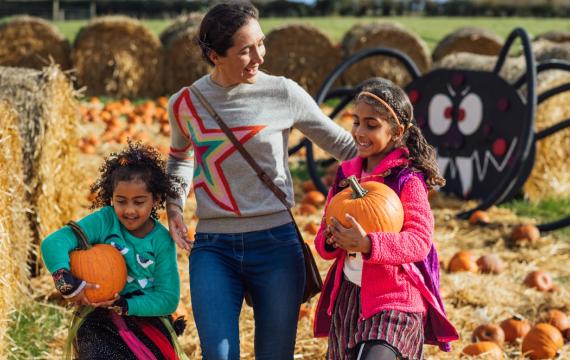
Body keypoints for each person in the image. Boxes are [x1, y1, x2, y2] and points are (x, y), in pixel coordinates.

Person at [164, 1, 357, 359]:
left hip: (276, 246)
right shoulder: (185, 103)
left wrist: (400, 164)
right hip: (213, 248)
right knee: (218, 355)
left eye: (261, 44)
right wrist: (173, 205)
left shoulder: (283, 92)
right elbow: (180, 156)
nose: (259, 57)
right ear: (214, 55)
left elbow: (344, 146)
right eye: (245, 50)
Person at [313, 78, 459, 360]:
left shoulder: (407, 179)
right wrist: (332, 239)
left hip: (395, 299)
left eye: (372, 124)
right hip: (348, 300)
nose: (359, 131)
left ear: (396, 131)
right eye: (356, 121)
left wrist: (368, 243)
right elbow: (322, 244)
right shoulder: (346, 176)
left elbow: (419, 242)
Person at [41, 141, 186, 359]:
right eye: (121, 201)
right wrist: (65, 281)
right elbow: (54, 242)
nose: (129, 210)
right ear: (111, 198)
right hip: (98, 320)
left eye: (139, 202)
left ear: (156, 199)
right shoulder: (105, 220)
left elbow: (168, 298)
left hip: (144, 318)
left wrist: (126, 305)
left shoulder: (161, 241)